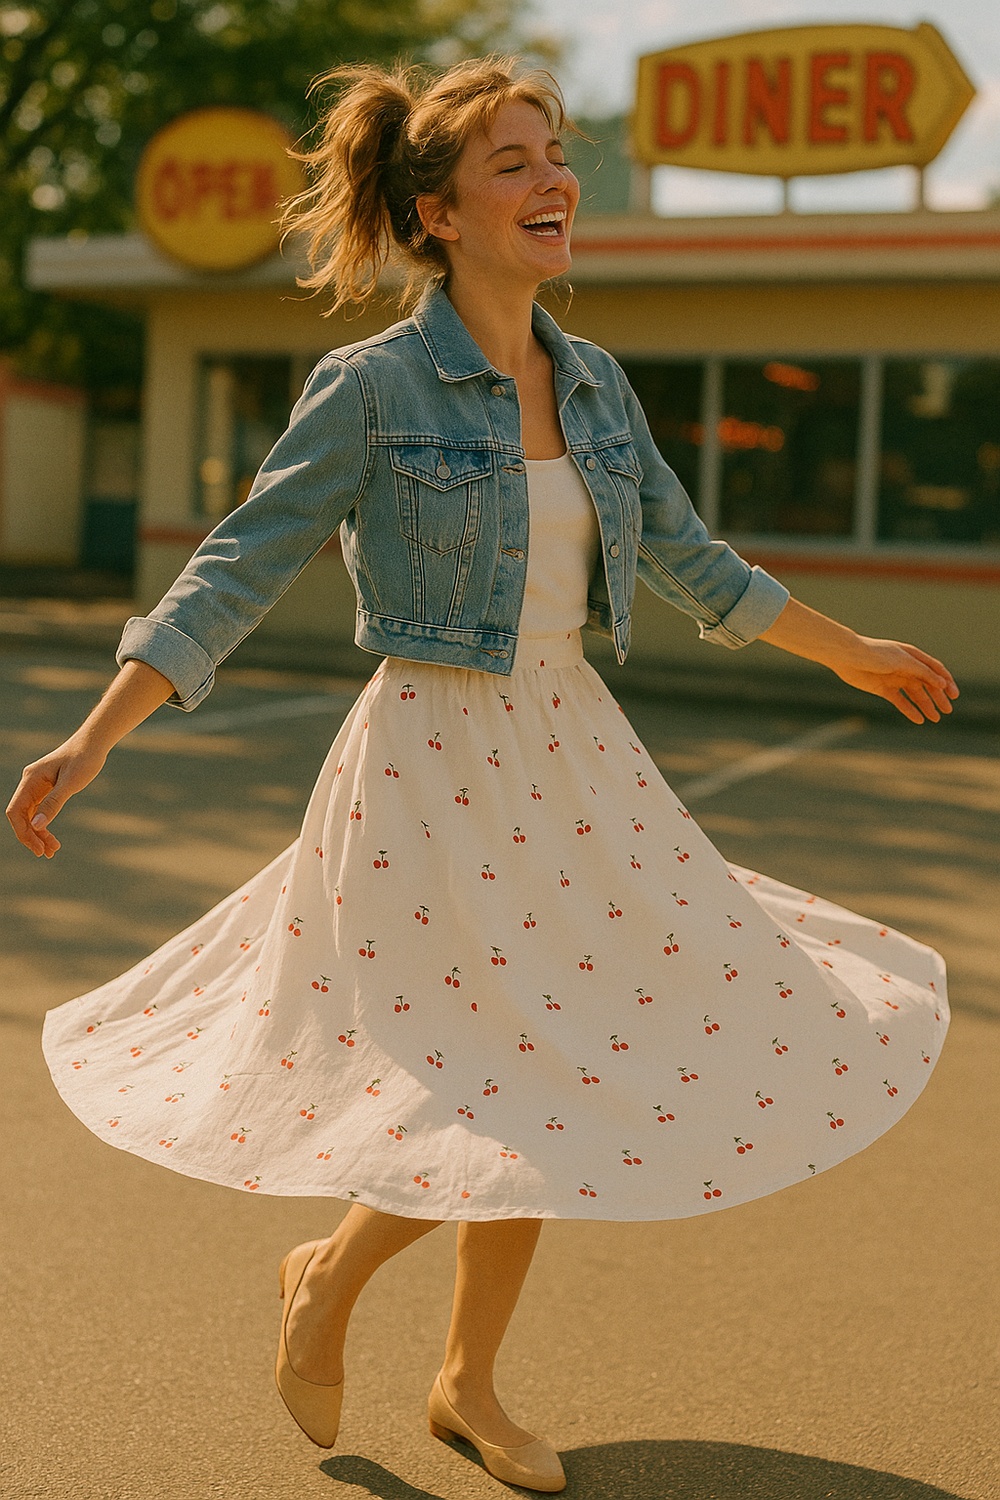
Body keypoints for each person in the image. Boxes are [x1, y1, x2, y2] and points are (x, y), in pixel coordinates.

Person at [7, 56, 958, 1496]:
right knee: (504, 1066)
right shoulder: (373, 384)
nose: (550, 178)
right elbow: (234, 568)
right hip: (428, 764)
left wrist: (851, 651)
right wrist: (95, 732)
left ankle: (460, 1378)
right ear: (440, 212)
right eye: (511, 162)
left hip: (572, 754)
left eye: (555, 152)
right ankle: (333, 1280)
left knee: (558, 1060)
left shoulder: (595, 384)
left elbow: (693, 564)